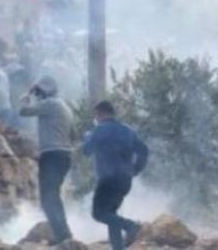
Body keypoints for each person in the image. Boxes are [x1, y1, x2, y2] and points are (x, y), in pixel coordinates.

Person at [84, 101, 149, 250]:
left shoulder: (100, 129)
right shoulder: (127, 130)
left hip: (108, 179)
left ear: (101, 113)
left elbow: (86, 150)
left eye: (96, 115)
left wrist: (87, 136)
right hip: (125, 180)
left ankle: (130, 225)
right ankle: (118, 247)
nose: (96, 118)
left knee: (98, 213)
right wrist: (135, 169)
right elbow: (144, 150)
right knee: (111, 214)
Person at [19, 75, 75, 245]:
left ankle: (63, 236)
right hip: (64, 155)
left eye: (39, 92)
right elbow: (73, 135)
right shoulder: (64, 106)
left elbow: (23, 111)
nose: (37, 96)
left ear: (44, 92)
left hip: (52, 155)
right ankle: (63, 233)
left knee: (48, 198)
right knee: (53, 196)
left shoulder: (50, 104)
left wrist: (27, 95)